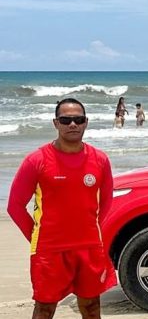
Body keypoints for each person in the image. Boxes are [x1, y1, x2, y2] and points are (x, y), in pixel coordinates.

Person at [7, 98, 115, 319]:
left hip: (89, 248)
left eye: (78, 119)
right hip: (49, 251)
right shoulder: (36, 160)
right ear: (55, 123)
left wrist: (93, 235)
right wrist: (37, 237)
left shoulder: (100, 160)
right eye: (66, 120)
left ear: (86, 122)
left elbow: (106, 203)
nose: (72, 124)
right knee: (45, 309)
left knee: (92, 307)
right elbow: (15, 206)